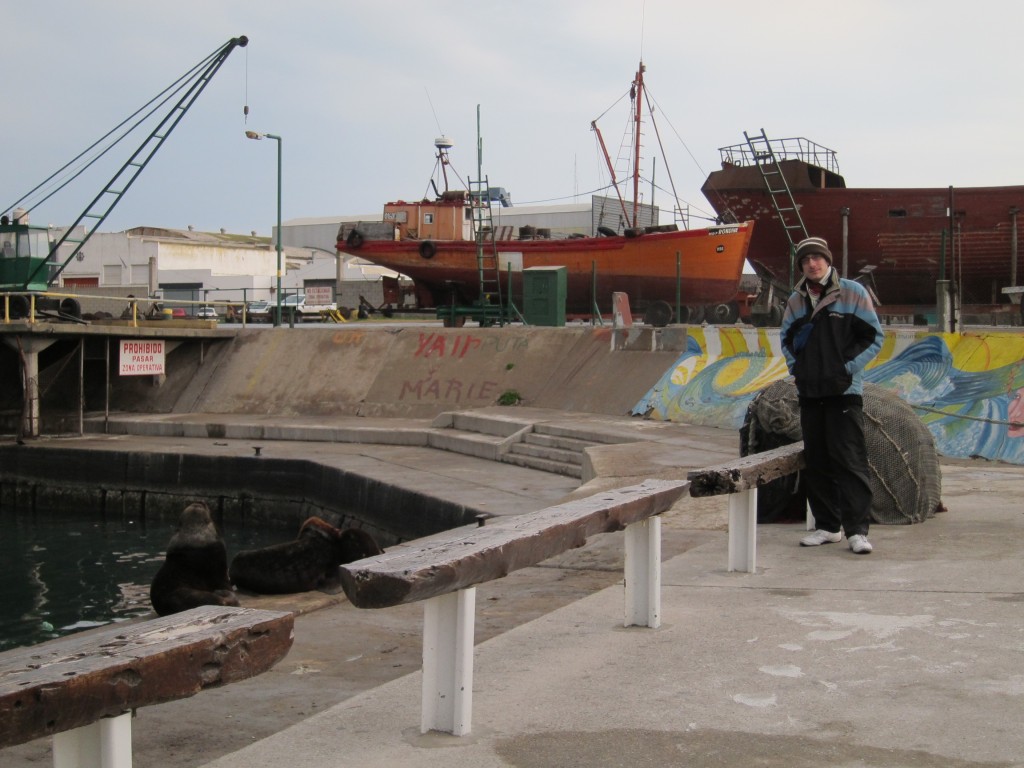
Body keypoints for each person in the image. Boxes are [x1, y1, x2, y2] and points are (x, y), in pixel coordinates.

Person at [780, 236, 884, 554]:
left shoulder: (852, 292)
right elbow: (786, 339)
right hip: (811, 392)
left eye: (817, 258)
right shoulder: (796, 300)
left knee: (850, 460)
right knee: (818, 460)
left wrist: (846, 369)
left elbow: (873, 337)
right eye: (806, 260)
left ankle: (857, 531)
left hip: (844, 392)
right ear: (801, 265)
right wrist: (798, 371)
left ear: (828, 260)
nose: (812, 264)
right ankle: (827, 526)